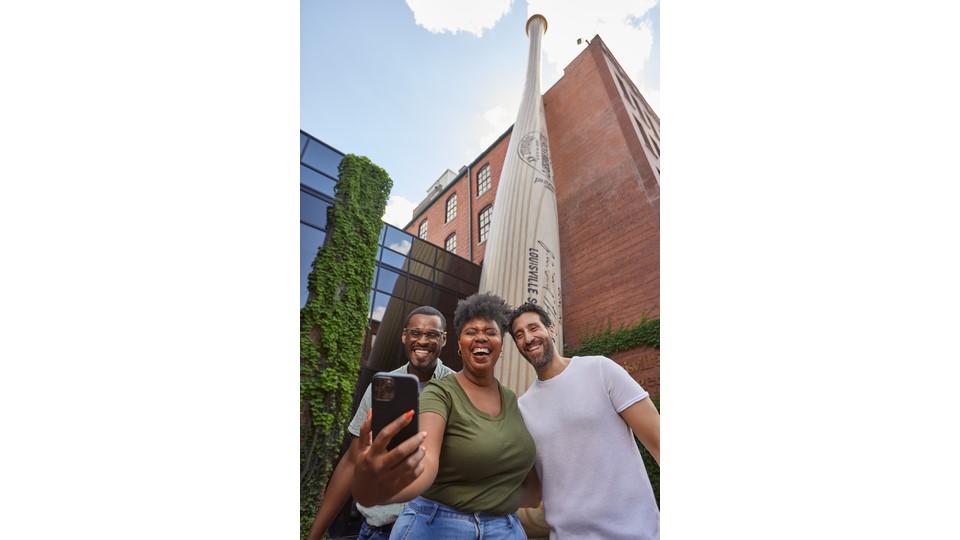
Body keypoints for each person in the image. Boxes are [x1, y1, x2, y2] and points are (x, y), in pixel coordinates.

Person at [351, 292, 540, 539]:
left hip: (505, 527)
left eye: (490, 332)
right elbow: (426, 464)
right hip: (437, 525)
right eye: (471, 332)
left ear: (501, 345)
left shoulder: (512, 400)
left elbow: (532, 489)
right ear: (459, 345)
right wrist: (376, 489)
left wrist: (497, 501)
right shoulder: (440, 391)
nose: (481, 336)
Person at [507, 301, 660, 539]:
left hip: (634, 532)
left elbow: (658, 441)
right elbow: (534, 491)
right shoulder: (522, 408)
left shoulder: (600, 369)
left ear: (551, 330)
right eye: (519, 335)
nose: (528, 338)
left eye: (533, 328)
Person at [306, 306, 456, 540]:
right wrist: (314, 535)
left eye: (432, 334)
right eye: (416, 333)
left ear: (443, 339)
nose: (423, 341)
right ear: (404, 336)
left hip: (430, 529)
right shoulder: (381, 387)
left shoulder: (457, 387)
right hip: (377, 529)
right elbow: (352, 460)